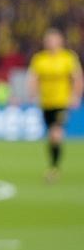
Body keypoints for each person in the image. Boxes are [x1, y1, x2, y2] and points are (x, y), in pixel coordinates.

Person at [26, 27, 82, 182]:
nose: (49, 42)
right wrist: (32, 92)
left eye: (52, 39)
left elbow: (77, 78)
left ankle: (54, 168)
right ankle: (53, 165)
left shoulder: (68, 58)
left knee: (56, 133)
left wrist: (75, 96)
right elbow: (33, 78)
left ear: (60, 41)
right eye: (47, 40)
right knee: (51, 137)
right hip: (46, 103)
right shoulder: (39, 59)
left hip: (62, 102)